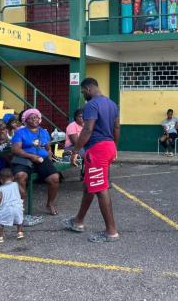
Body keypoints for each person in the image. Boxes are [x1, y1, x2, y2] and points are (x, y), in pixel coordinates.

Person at [64, 78, 121, 243]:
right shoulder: (112, 104)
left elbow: (88, 129)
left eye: (82, 92)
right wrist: (114, 147)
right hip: (109, 146)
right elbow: (117, 127)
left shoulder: (91, 105)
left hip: (97, 149)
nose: (83, 95)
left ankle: (111, 231)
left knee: (101, 188)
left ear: (88, 89)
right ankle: (78, 221)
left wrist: (75, 151)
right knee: (90, 185)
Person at [11, 108, 60, 220]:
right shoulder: (20, 132)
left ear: (40, 119)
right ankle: (20, 207)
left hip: (41, 159)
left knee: (55, 178)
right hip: (24, 159)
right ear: (25, 120)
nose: (34, 119)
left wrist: (49, 156)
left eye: (36, 117)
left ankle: (50, 204)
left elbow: (48, 148)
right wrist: (32, 156)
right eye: (31, 118)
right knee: (20, 176)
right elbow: (16, 150)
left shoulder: (44, 132)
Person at [0, 168, 24, 243]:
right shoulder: (16, 184)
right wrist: (22, 199)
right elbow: (23, 192)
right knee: (19, 220)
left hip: (6, 208)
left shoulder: (1, 188)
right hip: (18, 206)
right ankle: (19, 233)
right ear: (13, 178)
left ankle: (0, 237)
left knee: (0, 222)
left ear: (1, 180)